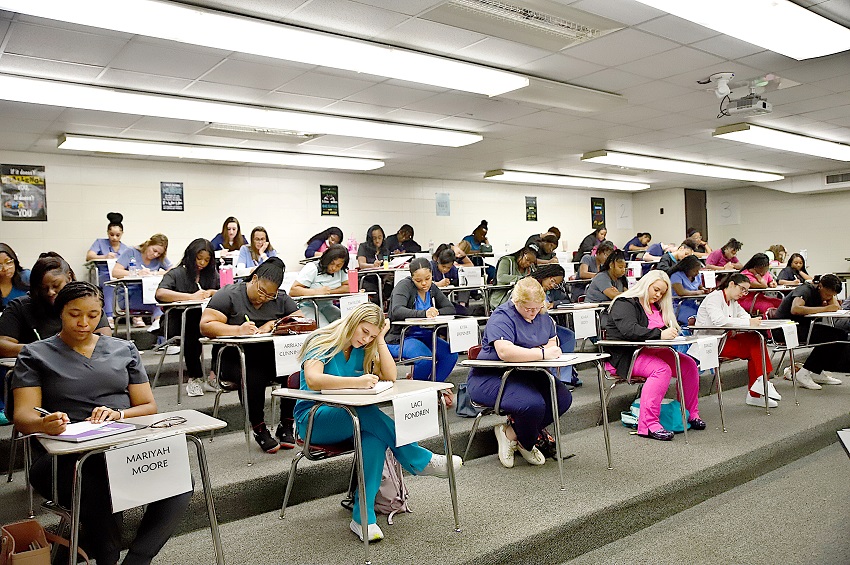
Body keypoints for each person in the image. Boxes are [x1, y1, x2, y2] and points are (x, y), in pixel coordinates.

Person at [11, 281, 190, 565]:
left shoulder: (123, 349)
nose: (84, 323)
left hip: (119, 445)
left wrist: (119, 414)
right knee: (94, 484)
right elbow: (22, 416)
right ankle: (107, 558)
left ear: (101, 314)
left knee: (178, 478)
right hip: (63, 455)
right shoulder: (35, 354)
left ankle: (138, 560)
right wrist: (45, 424)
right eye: (74, 314)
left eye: (93, 315)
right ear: (61, 312)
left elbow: (148, 406)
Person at [295, 302, 461, 542]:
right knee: (364, 412)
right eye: (364, 332)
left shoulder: (365, 346)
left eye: (372, 335)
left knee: (373, 436)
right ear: (352, 322)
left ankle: (363, 517)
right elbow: (313, 380)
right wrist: (357, 382)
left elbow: (391, 376)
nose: (366, 339)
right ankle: (417, 458)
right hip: (314, 419)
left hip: (351, 419)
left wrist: (380, 339)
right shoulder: (321, 340)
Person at [468, 278, 573, 468]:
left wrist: (534, 351)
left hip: (527, 372)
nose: (533, 314)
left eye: (537, 308)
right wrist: (541, 352)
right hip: (492, 376)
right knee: (532, 404)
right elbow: (506, 352)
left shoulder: (543, 315)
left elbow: (553, 342)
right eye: (528, 309)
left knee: (562, 398)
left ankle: (512, 434)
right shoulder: (502, 317)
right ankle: (527, 442)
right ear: (516, 302)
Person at [200, 258, 301, 453]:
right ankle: (259, 428)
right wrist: (237, 329)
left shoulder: (280, 298)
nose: (264, 298)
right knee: (253, 373)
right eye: (261, 291)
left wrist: (273, 324)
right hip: (232, 359)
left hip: (269, 357)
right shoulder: (228, 295)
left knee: (294, 369)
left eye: (270, 296)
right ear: (254, 279)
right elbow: (206, 325)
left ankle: (286, 423)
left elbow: (300, 321)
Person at [602, 270, 706, 441]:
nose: (658, 295)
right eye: (656, 290)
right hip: (627, 355)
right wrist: (660, 334)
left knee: (688, 365)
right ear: (645, 284)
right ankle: (649, 425)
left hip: (653, 350)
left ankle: (689, 413)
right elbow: (629, 330)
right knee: (661, 370)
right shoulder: (624, 303)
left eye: (662, 293)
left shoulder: (656, 306)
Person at [0, 252, 110, 359]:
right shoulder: (20, 306)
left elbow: (105, 342)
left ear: (69, 277)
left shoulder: (88, 303)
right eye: (43, 288)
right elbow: (3, 345)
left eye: (56, 285)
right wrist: (42, 349)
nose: (50, 292)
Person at [695, 274, 778, 408]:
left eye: (746, 291)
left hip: (726, 339)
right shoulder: (714, 298)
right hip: (711, 343)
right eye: (742, 289)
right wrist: (747, 322)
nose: (744, 294)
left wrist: (751, 321)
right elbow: (719, 321)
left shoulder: (733, 301)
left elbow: (744, 315)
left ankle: (760, 385)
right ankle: (758, 388)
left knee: (756, 339)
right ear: (732, 284)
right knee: (755, 345)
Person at [155, 238, 219, 397]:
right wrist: (190, 297)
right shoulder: (177, 273)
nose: (202, 263)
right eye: (199, 258)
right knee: (192, 319)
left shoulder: (210, 275)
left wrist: (212, 292)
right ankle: (195, 378)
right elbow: (160, 293)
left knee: (223, 327)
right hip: (178, 321)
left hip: (203, 319)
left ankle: (214, 375)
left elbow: (223, 293)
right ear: (191, 256)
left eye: (206, 259)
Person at [386, 258, 458, 396]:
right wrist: (424, 313)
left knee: (450, 356)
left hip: (424, 335)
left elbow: (450, 308)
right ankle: (417, 394)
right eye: (418, 281)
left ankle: (432, 388)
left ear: (432, 274)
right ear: (411, 277)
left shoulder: (432, 288)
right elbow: (396, 310)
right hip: (401, 337)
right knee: (425, 358)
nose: (424, 283)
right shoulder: (404, 286)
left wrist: (435, 312)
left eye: (428, 278)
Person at [774, 273, 850, 390]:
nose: (828, 298)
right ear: (820, 286)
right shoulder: (805, 290)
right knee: (831, 337)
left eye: (832, 295)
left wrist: (831, 298)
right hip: (785, 329)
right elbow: (795, 309)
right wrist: (825, 308)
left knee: (841, 335)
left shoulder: (823, 292)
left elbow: (836, 307)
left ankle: (816, 371)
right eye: (827, 294)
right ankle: (804, 373)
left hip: (802, 327)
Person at [529, 266, 579, 385]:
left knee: (568, 336)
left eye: (556, 283)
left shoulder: (549, 290)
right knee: (554, 338)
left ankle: (563, 378)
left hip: (545, 325)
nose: (552, 285)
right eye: (552, 281)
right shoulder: (529, 285)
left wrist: (555, 303)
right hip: (529, 326)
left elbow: (566, 300)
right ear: (546, 275)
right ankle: (553, 377)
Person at [112, 233, 172, 327]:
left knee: (162, 303)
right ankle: (158, 328)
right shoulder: (131, 252)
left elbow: (172, 271)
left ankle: (158, 327)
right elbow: (115, 272)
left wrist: (156, 273)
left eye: (159, 253)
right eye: (154, 250)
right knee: (158, 304)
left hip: (149, 295)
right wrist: (136, 273)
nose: (155, 254)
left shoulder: (159, 258)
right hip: (129, 296)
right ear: (148, 244)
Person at [85, 212, 129, 326]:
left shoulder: (125, 248)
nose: (114, 238)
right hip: (104, 273)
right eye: (111, 234)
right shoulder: (100, 243)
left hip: (119, 274)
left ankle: (134, 315)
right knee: (109, 282)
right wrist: (104, 256)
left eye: (118, 235)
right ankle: (109, 316)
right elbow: (89, 256)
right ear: (107, 233)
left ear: (122, 234)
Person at [290, 243, 350, 324]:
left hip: (327, 305)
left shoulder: (342, 270)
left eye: (338, 265)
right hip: (307, 306)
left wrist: (329, 292)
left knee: (344, 324)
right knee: (324, 328)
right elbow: (293, 291)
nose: (334, 268)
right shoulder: (312, 267)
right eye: (331, 263)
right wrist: (316, 292)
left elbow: (347, 287)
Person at [489, 244, 540, 310]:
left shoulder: (530, 268)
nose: (528, 264)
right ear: (521, 254)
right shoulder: (507, 260)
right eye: (527, 260)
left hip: (519, 299)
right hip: (501, 298)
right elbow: (501, 277)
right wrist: (521, 279)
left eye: (531, 262)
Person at [668, 255, 709, 325]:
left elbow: (700, 287)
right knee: (698, 317)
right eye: (695, 271)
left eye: (698, 270)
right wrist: (697, 293)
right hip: (679, 305)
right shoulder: (676, 276)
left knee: (707, 313)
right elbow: (681, 292)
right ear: (687, 269)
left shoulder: (697, 276)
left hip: (694, 303)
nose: (697, 273)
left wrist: (705, 290)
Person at [357, 224, 392, 306]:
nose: (377, 241)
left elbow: (387, 264)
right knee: (375, 294)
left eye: (380, 238)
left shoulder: (385, 250)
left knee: (393, 286)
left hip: (382, 278)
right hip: (368, 278)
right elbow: (361, 264)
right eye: (374, 238)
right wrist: (372, 266)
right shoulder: (363, 247)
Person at [0, 243, 28, 309]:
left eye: (8, 262)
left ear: (15, 261)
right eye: (0, 266)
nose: (5, 268)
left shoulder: (26, 277)